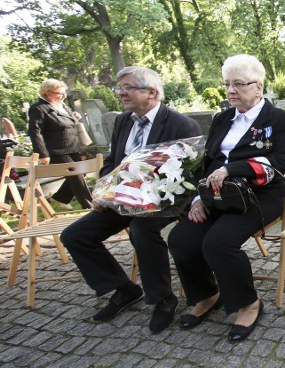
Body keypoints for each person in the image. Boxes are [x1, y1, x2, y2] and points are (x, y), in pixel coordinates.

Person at [60, 67, 201, 333]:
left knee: (141, 230)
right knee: (75, 235)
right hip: (122, 198)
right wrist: (103, 192)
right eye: (119, 87)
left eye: (127, 87)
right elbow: (113, 163)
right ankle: (124, 289)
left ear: (152, 92)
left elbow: (188, 178)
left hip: (164, 200)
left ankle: (162, 298)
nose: (121, 92)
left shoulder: (181, 125)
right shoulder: (124, 121)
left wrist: (148, 198)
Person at [168, 55, 285, 341]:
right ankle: (207, 294)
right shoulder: (222, 118)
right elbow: (209, 160)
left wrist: (231, 169)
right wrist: (199, 197)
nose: (230, 91)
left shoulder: (279, 119)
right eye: (227, 84)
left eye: (238, 84)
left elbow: (279, 163)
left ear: (258, 86)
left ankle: (248, 304)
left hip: (260, 194)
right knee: (181, 239)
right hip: (216, 195)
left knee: (218, 243)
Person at [28, 79, 93, 208]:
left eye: (64, 93)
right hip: (56, 151)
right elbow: (35, 132)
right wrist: (42, 153)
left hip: (73, 147)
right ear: (47, 93)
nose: (63, 96)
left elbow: (67, 122)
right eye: (59, 93)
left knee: (82, 171)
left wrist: (74, 116)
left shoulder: (63, 106)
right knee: (75, 174)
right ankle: (91, 206)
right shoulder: (38, 108)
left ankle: (60, 198)